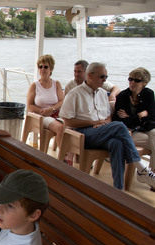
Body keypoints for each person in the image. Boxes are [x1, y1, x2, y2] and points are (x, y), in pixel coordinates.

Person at [60, 62, 155, 190]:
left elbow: (108, 116)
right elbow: (67, 121)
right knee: (120, 126)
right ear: (90, 75)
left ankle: (118, 190)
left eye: (106, 77)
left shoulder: (102, 93)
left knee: (117, 143)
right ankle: (141, 169)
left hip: (100, 132)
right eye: (102, 77)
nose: (105, 80)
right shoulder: (75, 94)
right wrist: (92, 123)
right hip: (83, 133)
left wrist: (106, 122)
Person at [113, 67, 155, 172]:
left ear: (144, 83)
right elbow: (119, 120)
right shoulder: (122, 96)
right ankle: (151, 174)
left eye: (136, 80)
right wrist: (139, 116)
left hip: (145, 128)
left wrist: (129, 117)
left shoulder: (149, 94)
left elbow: (152, 117)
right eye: (130, 79)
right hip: (128, 130)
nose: (132, 82)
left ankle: (151, 173)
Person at [26, 54, 66, 161]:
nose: (42, 69)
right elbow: (29, 106)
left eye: (45, 67)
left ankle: (67, 155)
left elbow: (62, 101)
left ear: (51, 69)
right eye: (40, 67)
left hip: (55, 113)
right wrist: (43, 111)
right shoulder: (34, 85)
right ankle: (63, 160)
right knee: (60, 128)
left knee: (70, 126)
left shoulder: (56, 84)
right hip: (40, 116)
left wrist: (51, 109)